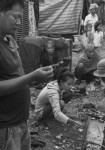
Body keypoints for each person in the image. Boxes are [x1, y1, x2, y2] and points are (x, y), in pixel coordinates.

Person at [0, 1, 54, 150]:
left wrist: (35, 77)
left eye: (20, 18)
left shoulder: (10, 40)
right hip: (5, 125)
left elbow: (15, 75)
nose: (18, 23)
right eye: (15, 17)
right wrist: (32, 77)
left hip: (21, 119)